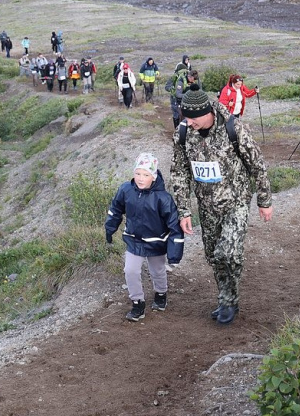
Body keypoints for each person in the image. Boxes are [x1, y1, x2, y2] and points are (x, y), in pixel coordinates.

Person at [169, 84, 274, 325]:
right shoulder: (183, 133)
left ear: (208, 112)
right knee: (213, 256)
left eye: (193, 118)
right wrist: (184, 210)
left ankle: (229, 299)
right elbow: (179, 173)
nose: (189, 122)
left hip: (235, 202)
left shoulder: (233, 128)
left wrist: (264, 201)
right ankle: (225, 297)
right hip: (206, 206)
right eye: (186, 117)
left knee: (228, 252)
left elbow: (257, 165)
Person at [106, 153, 184, 322]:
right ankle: (137, 303)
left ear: (153, 177)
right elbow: (115, 209)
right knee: (130, 270)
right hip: (134, 240)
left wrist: (174, 254)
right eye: (138, 173)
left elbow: (174, 227)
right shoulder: (126, 190)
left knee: (157, 270)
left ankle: (161, 294)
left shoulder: (163, 198)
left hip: (156, 242)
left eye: (146, 175)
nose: (141, 178)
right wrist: (110, 228)